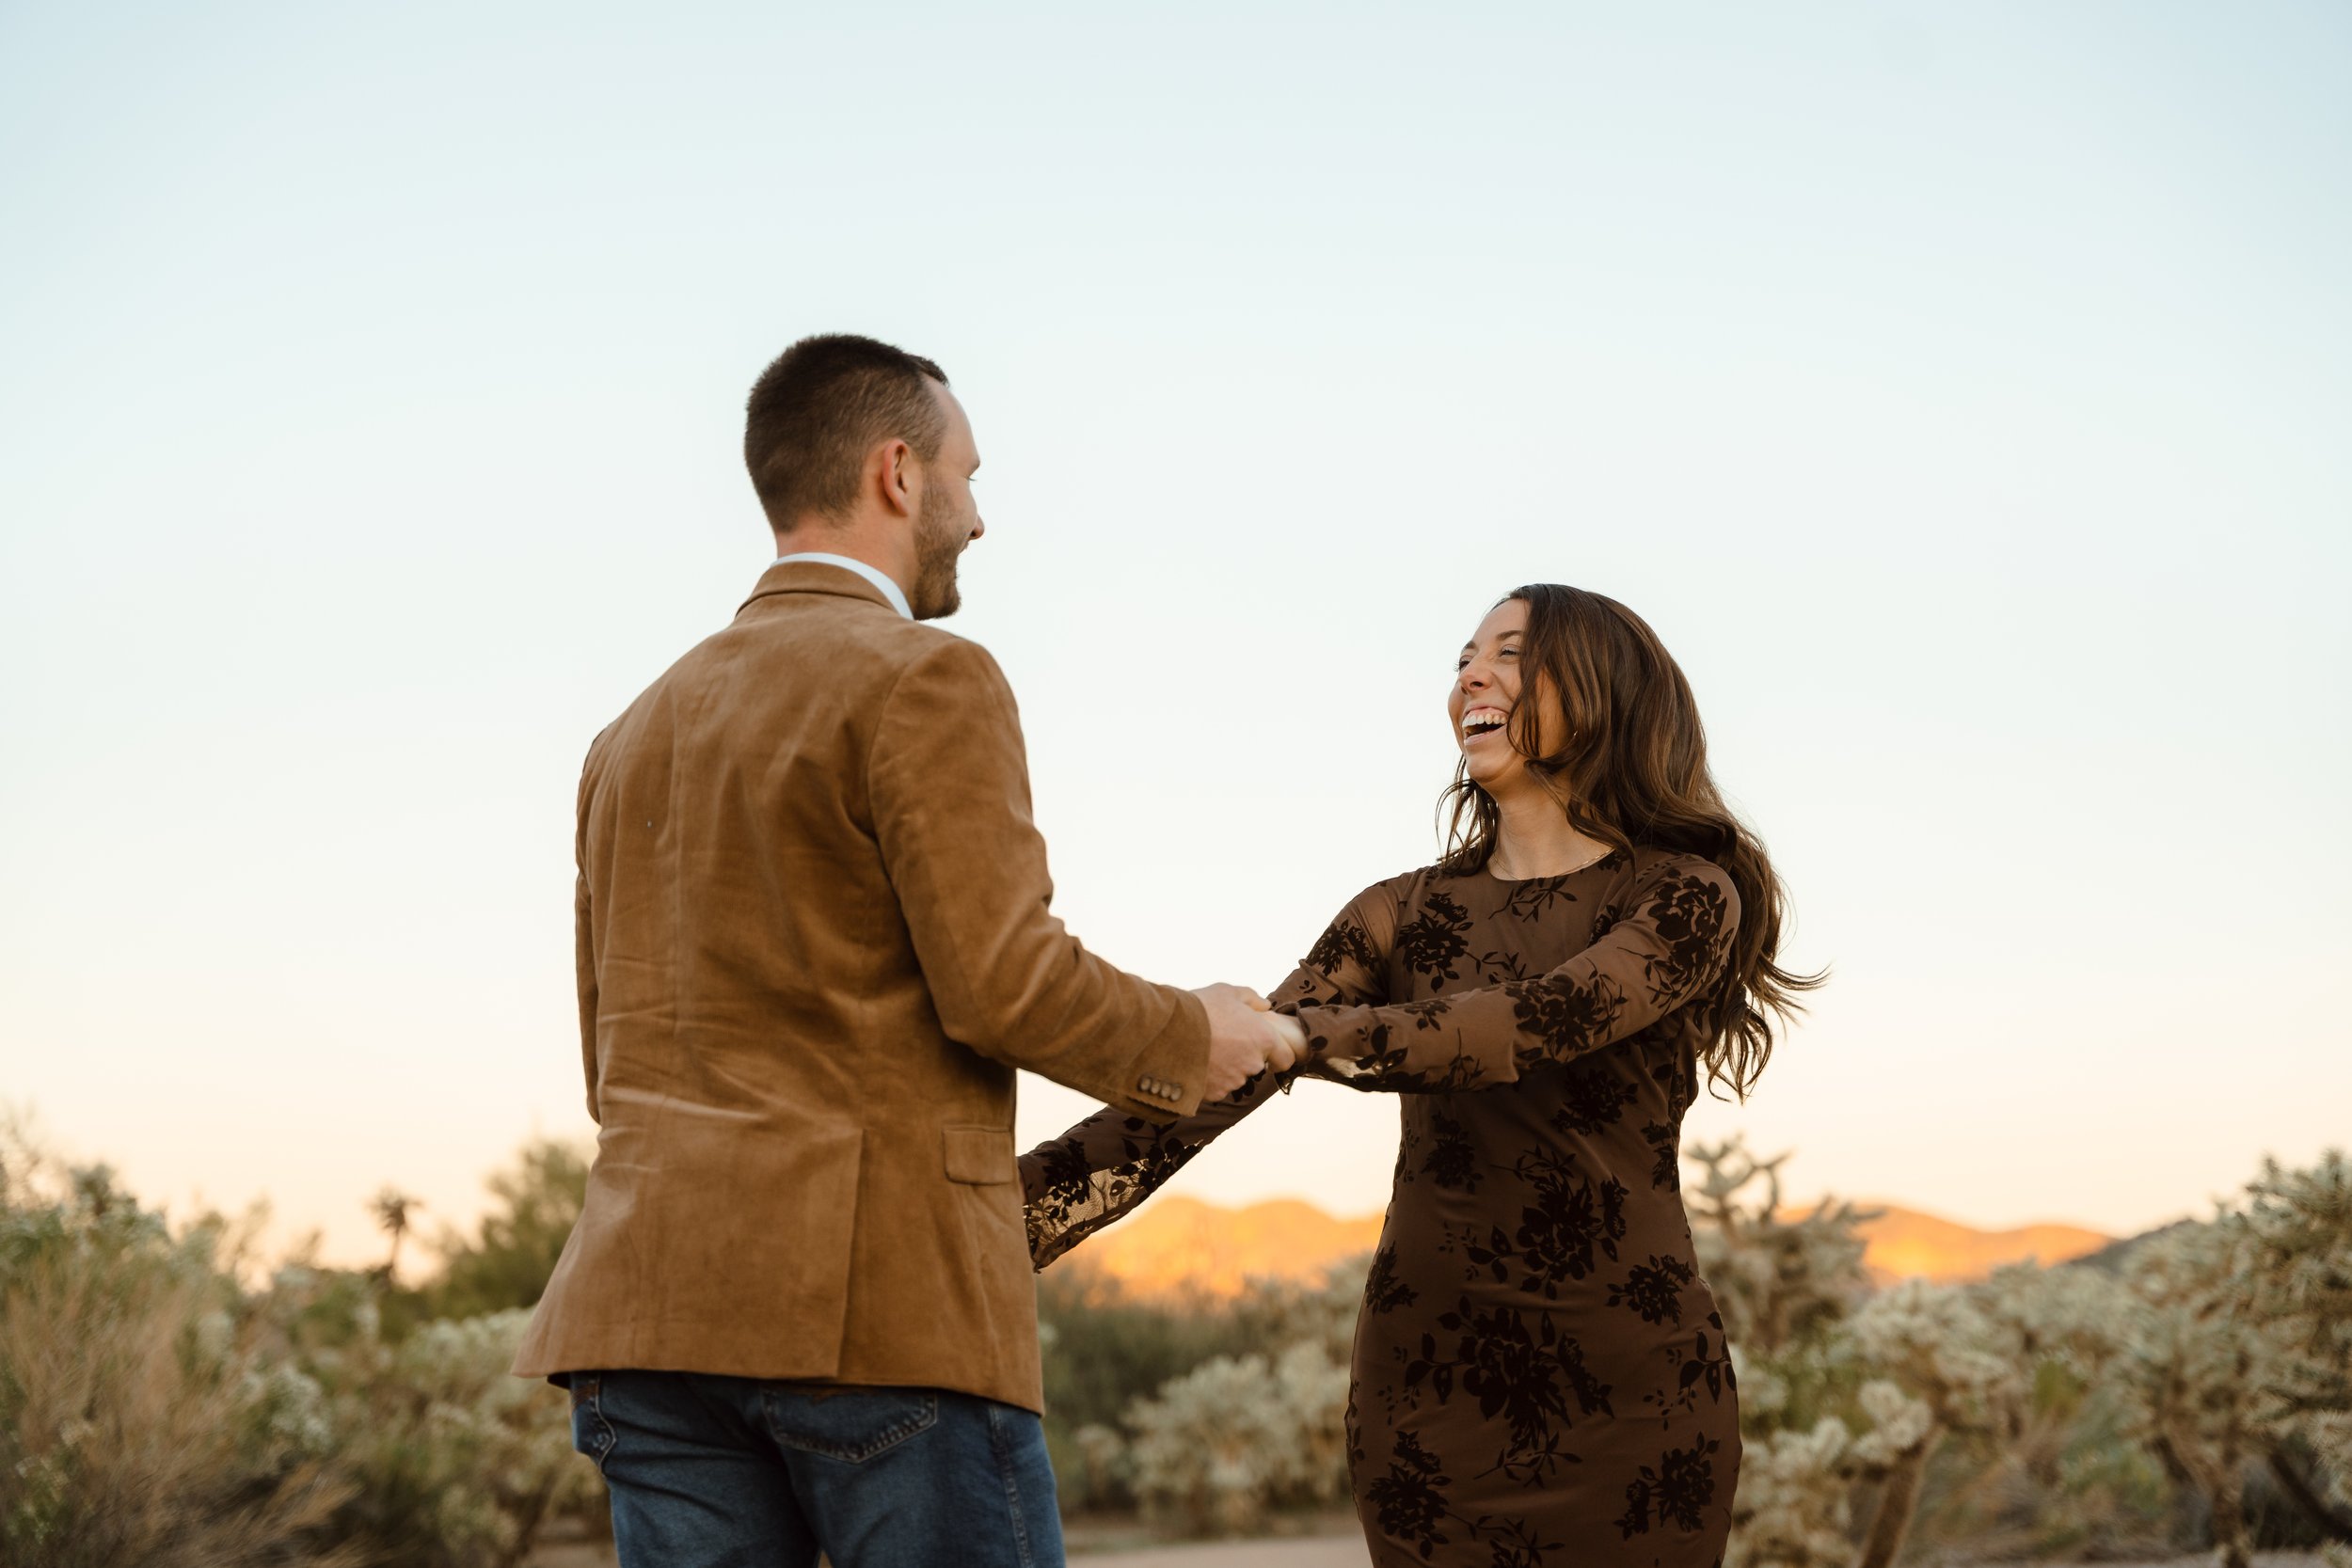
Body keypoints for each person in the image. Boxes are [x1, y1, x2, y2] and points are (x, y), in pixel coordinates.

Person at [512, 333, 1305, 1568]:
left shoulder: (628, 731)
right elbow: (1005, 982)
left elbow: (608, 1052)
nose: (978, 515)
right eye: (968, 475)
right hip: (877, 1318)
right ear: (896, 471)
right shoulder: (925, 677)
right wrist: (1196, 1032)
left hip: (644, 1312)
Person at [1020, 584, 1821, 1567]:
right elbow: (1213, 1091)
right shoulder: (1400, 912)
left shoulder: (1685, 895)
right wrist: (1000, 1215)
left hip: (1634, 1397)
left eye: (1512, 653)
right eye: (1462, 657)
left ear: (1607, 690)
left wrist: (1299, 1036)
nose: (1470, 675)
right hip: (1429, 1390)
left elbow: (1535, 1021)